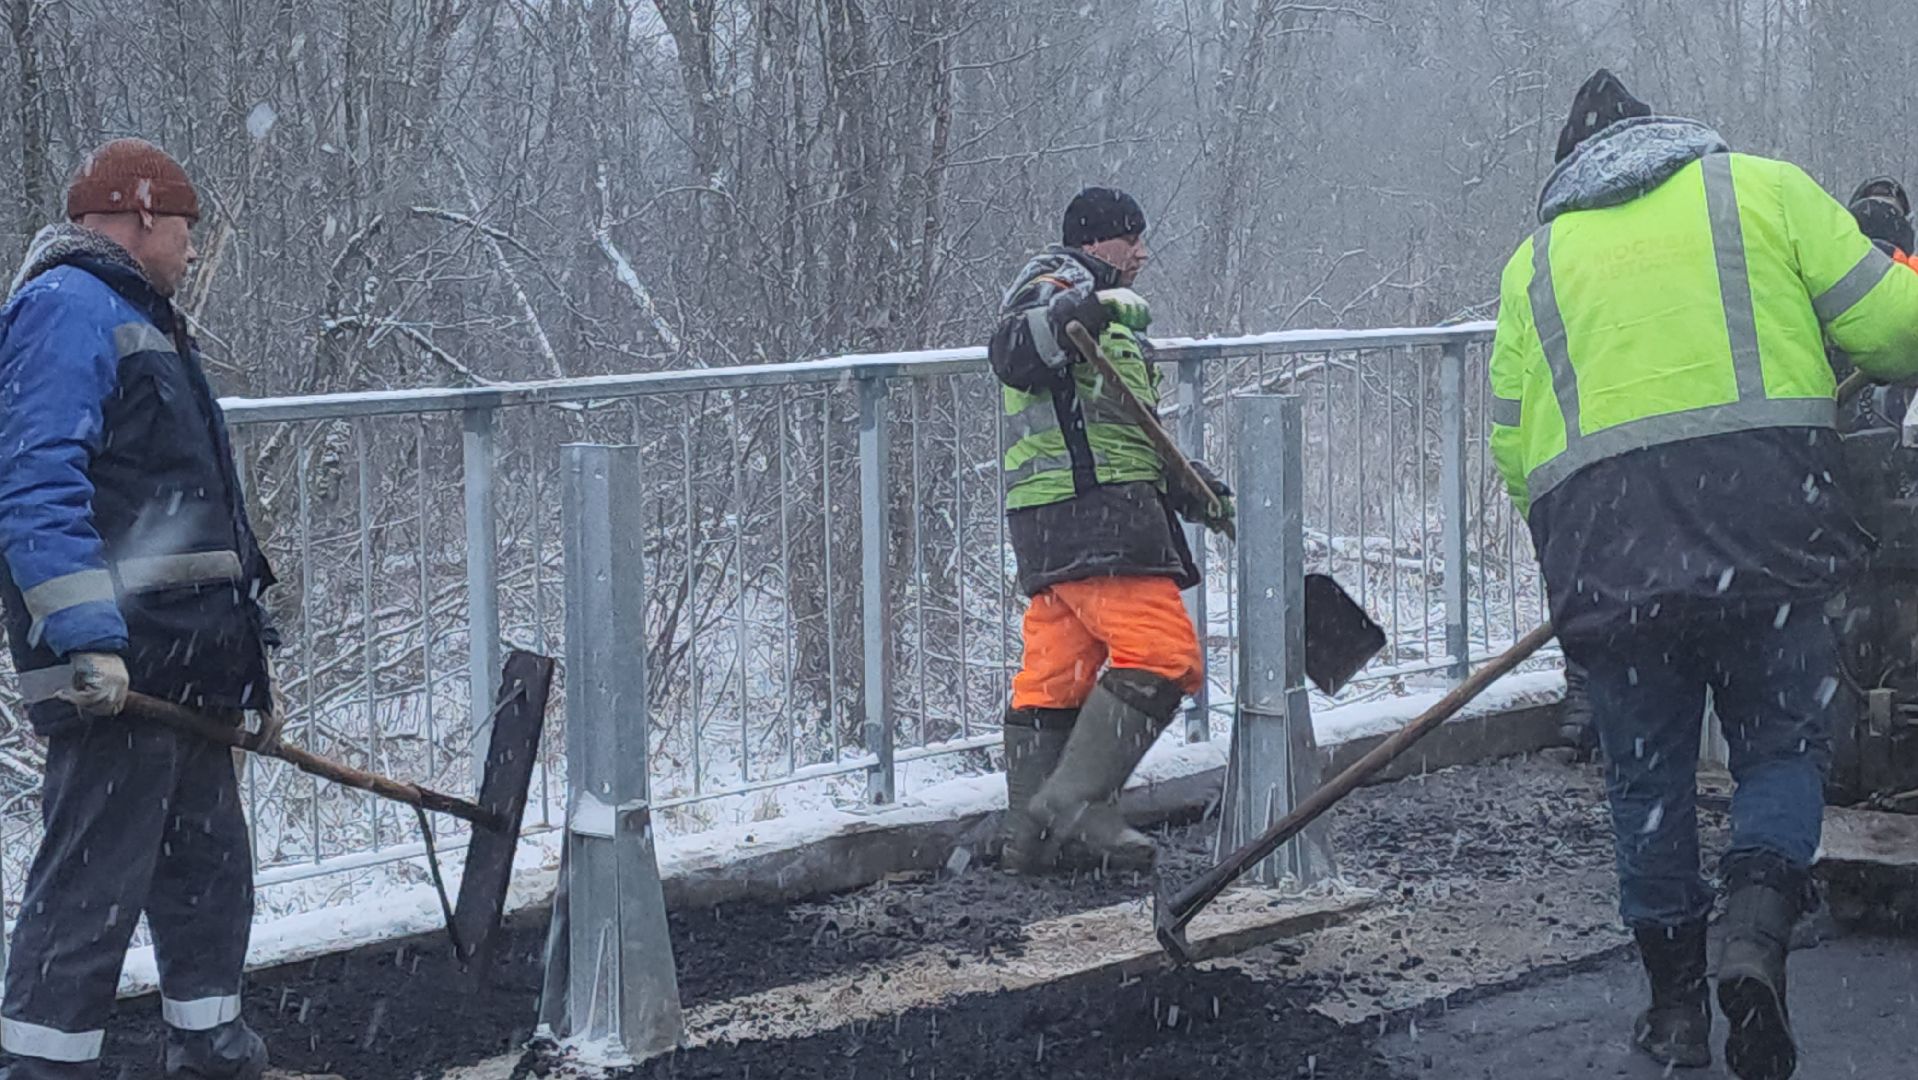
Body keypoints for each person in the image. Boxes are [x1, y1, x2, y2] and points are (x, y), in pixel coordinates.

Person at [1488, 71, 1918, 1080]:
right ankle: (1754, 941)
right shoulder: (1759, 189)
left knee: (1649, 783)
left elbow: (1513, 450)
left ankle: (1674, 1012)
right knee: (1778, 750)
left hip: (1611, 565)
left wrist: (1602, 543)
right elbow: (1896, 329)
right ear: (1669, 137)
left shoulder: (1531, 266)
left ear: (1568, 171)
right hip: (1769, 536)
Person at [0, 139, 280, 1079]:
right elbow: (36, 481)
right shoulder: (65, 311)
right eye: (190, 228)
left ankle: (210, 1046)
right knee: (91, 890)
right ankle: (41, 1067)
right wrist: (85, 639)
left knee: (207, 878)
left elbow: (187, 507)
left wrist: (246, 649)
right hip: (121, 673)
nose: (195, 249)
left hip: (184, 667)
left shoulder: (140, 318)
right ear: (146, 212)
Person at [987, 186, 1232, 874]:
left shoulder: (1104, 317)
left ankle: (1032, 843)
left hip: (1058, 522)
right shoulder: (1054, 284)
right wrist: (1087, 305)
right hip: (1092, 519)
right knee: (1163, 654)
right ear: (1096, 243)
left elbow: (1113, 430)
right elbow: (1011, 350)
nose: (1143, 253)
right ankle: (1075, 805)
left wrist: (1192, 487)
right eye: (1132, 239)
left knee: (1056, 678)